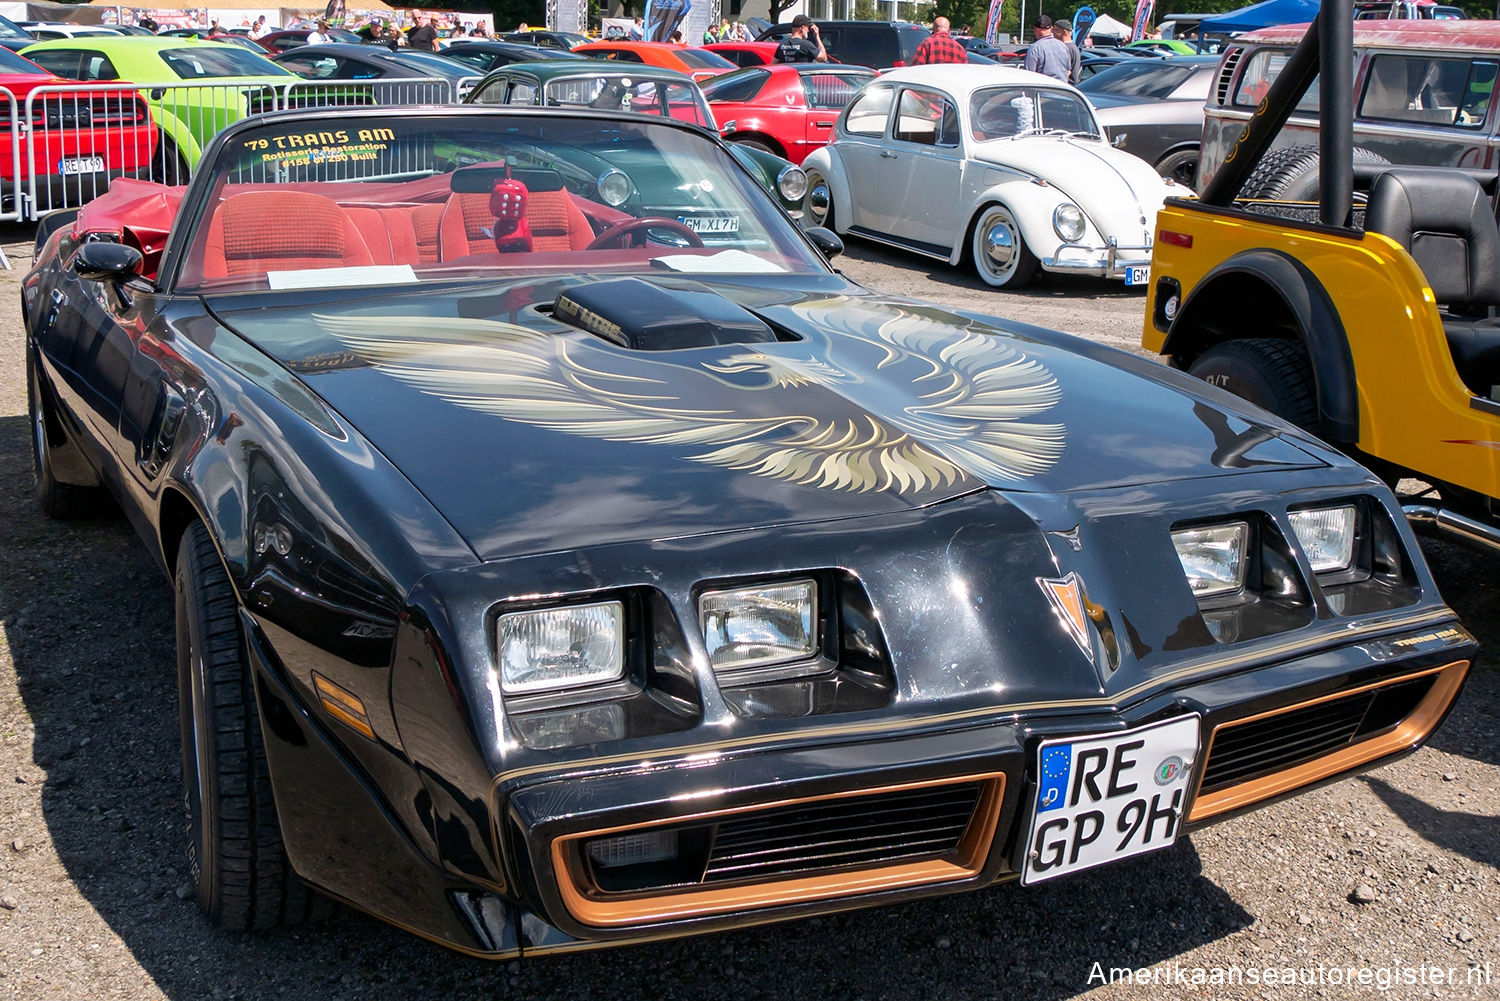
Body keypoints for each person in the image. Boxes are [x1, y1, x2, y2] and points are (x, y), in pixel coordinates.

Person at [1021, 15, 1071, 83]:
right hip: (1062, 90)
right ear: (1051, 29)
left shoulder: (1035, 48)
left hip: (1044, 90)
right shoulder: (1063, 46)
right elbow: (1068, 71)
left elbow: (1029, 75)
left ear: (1035, 29)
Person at [1053, 19, 1082, 84]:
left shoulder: (1065, 48)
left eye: (1056, 30)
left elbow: (1064, 71)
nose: (1053, 33)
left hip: (1066, 85)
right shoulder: (1074, 47)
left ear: (1064, 32)